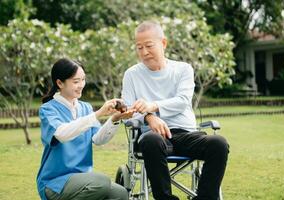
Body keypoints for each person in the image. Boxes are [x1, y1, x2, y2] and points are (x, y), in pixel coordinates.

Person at [122, 20, 229, 200]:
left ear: (163, 43)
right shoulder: (131, 74)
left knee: (219, 144)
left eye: (148, 46)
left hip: (186, 134)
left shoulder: (183, 69)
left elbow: (182, 101)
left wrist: (152, 106)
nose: (144, 52)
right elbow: (127, 112)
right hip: (154, 137)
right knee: (151, 140)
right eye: (139, 47)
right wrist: (149, 117)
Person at [37, 58, 134, 200]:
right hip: (55, 182)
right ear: (59, 83)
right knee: (101, 183)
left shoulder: (85, 107)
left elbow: (98, 139)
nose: (81, 85)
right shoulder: (48, 110)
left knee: (120, 194)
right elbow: (62, 134)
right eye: (76, 81)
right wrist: (98, 114)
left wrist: (114, 119)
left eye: (83, 80)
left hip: (84, 178)